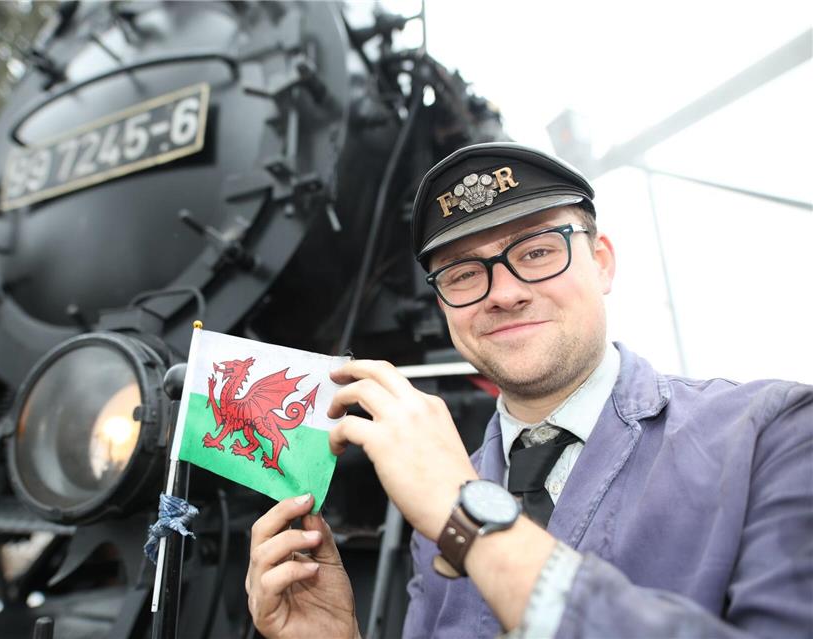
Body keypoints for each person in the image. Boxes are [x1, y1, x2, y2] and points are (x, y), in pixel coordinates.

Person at [244, 142, 813, 638]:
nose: (504, 293)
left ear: (602, 262)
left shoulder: (773, 433)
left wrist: (470, 519)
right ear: (443, 305)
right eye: (464, 272)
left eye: (538, 251)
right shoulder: (443, 495)